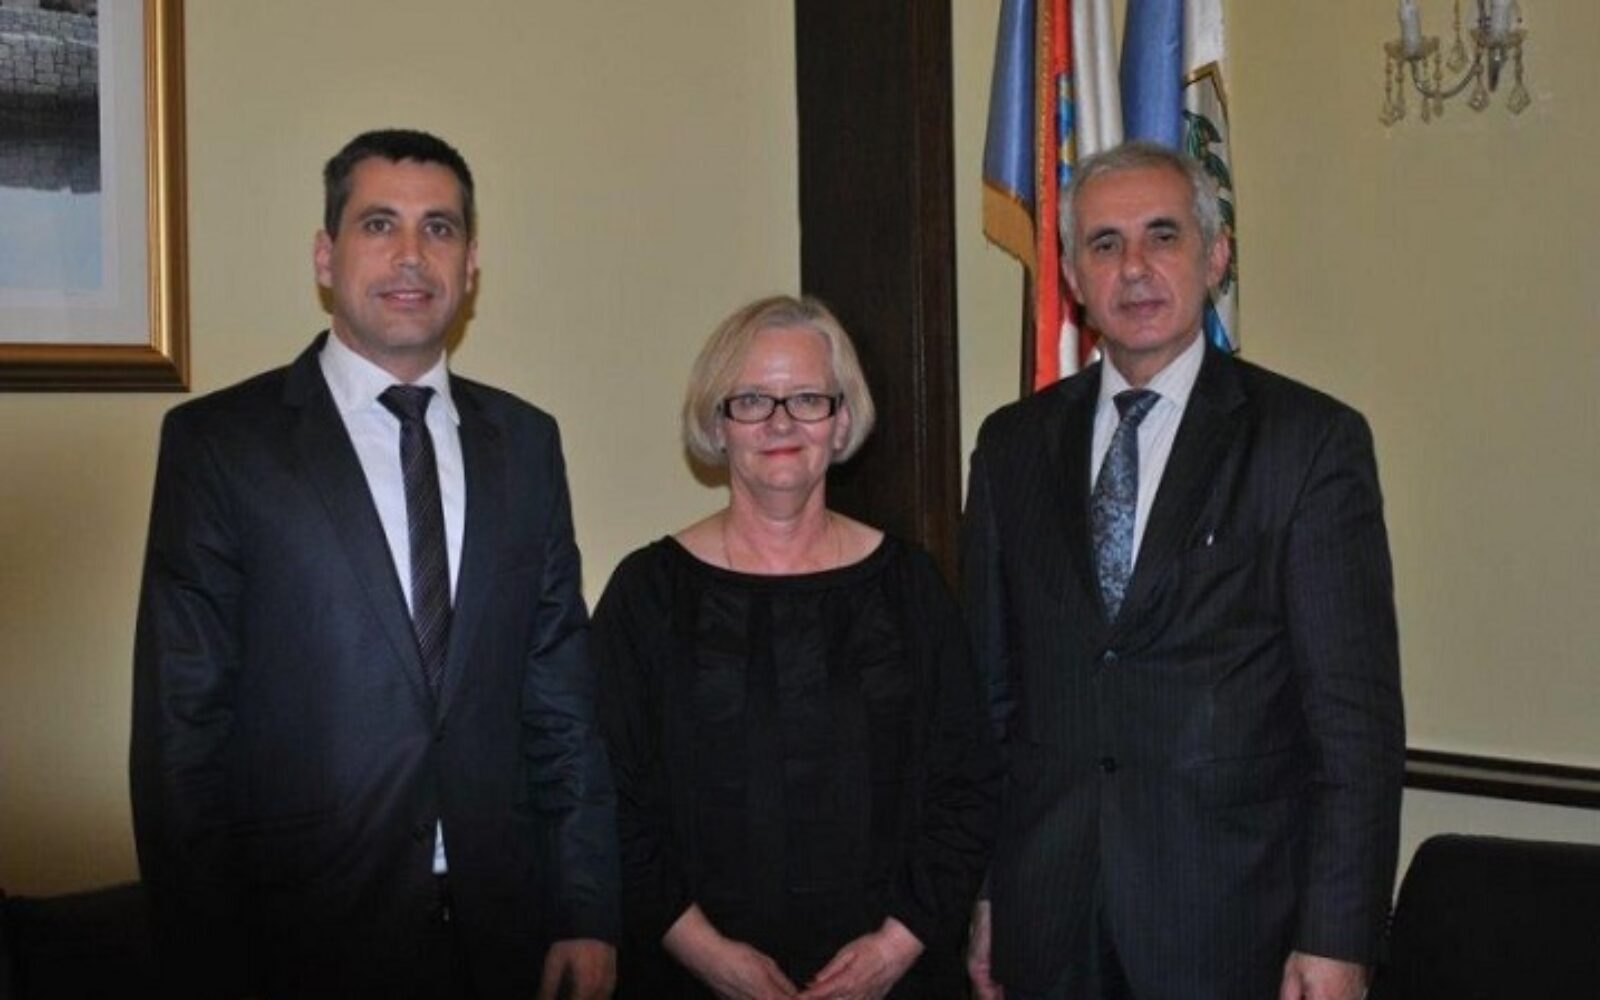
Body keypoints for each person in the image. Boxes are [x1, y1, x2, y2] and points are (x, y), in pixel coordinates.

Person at [130, 129, 618, 999]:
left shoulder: (526, 445)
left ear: (470, 265)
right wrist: (204, 959)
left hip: (505, 930)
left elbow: (561, 697)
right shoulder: (222, 447)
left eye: (440, 229)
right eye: (379, 224)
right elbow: (180, 727)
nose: (411, 255)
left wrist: (586, 909)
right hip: (297, 938)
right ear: (326, 256)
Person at [962, 142, 1405, 1000]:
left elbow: (1354, 724)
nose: (1134, 267)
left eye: (1162, 235)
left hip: (1232, 922)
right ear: (1074, 278)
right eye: (1104, 244)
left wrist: (1338, 938)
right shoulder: (1011, 447)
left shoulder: (1307, 443)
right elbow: (993, 698)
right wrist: (985, 891)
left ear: (1216, 255)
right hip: (1047, 918)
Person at [592, 295, 999, 999]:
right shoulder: (646, 595)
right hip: (687, 979)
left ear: (841, 421)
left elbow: (966, 787)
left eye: (808, 399)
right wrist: (709, 956)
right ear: (717, 424)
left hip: (895, 981)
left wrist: (893, 951)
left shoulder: (911, 587)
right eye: (752, 400)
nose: (781, 423)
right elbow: (607, 798)